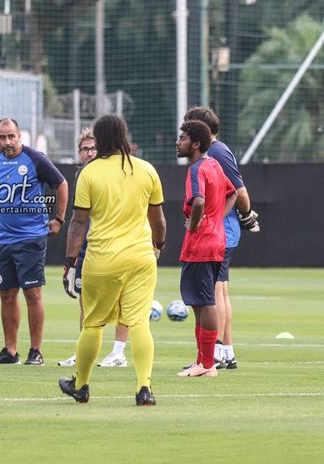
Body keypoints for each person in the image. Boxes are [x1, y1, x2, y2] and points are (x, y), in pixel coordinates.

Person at [58, 115, 166, 406]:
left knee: (93, 324)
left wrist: (69, 262)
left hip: (102, 259)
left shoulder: (89, 174)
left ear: (100, 139)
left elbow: (79, 223)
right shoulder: (146, 170)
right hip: (142, 257)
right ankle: (144, 388)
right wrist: (159, 243)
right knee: (139, 322)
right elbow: (158, 218)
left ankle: (80, 385)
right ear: (124, 136)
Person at [0, 118, 68, 366]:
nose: (8, 142)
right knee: (6, 295)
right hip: (3, 238)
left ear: (19, 136)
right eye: (2, 137)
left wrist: (59, 219)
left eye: (12, 136)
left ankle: (36, 351)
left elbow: (61, 184)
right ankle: (10, 351)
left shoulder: (35, 158)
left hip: (31, 237)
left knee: (32, 293)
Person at [183, 107, 259, 369]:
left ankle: (213, 353)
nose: (183, 134)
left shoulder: (213, 154)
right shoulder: (218, 152)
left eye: (188, 127)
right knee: (221, 289)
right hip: (221, 230)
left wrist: (246, 216)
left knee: (212, 293)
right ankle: (226, 351)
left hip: (216, 233)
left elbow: (238, 191)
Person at [175, 120, 236, 378]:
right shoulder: (215, 166)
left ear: (196, 144)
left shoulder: (198, 168)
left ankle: (208, 364)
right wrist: (216, 220)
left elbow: (198, 200)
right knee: (201, 303)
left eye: (182, 138)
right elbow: (232, 193)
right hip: (216, 241)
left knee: (206, 302)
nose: (178, 142)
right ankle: (202, 361)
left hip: (201, 244)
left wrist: (197, 225)